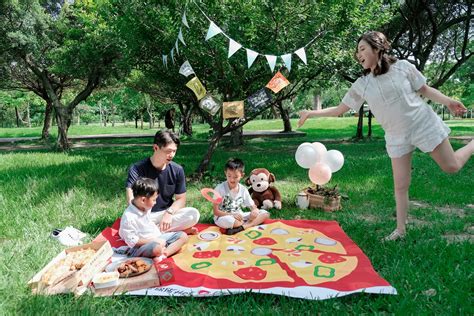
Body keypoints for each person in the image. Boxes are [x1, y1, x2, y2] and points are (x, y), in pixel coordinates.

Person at [298, 31, 473, 241]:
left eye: (362, 49)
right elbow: (339, 109)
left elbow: (425, 89)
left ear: (377, 48)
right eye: (357, 51)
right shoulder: (362, 84)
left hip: (422, 123)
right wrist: (310, 113)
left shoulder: (403, 68)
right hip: (396, 136)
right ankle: (400, 230)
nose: (358, 54)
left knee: (451, 166)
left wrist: (448, 101)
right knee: (400, 185)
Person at [126, 130, 200, 235]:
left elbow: (181, 199)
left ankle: (155, 232)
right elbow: (131, 200)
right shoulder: (137, 168)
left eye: (174, 151)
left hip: (165, 214)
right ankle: (163, 231)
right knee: (131, 223)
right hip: (143, 215)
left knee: (193, 214)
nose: (171, 155)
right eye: (168, 151)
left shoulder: (177, 170)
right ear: (156, 148)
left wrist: (169, 213)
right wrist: (143, 216)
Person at [119, 177, 188, 259]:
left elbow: (148, 223)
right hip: (141, 246)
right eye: (154, 200)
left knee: (183, 236)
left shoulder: (144, 206)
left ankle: (164, 254)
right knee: (157, 248)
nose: (155, 203)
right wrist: (154, 241)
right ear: (143, 200)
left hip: (157, 237)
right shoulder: (129, 218)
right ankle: (161, 251)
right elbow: (133, 241)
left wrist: (157, 236)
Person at [213, 158, 270, 235]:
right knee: (231, 221)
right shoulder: (219, 189)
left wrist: (254, 211)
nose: (232, 179)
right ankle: (248, 224)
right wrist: (232, 215)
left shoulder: (243, 190)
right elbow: (216, 212)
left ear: (242, 175)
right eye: (229, 176)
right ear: (225, 173)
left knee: (265, 213)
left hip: (240, 216)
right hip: (224, 217)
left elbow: (253, 206)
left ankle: (242, 227)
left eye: (235, 177)